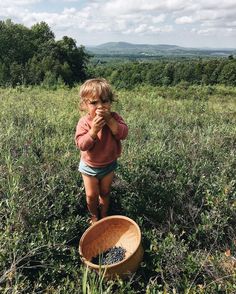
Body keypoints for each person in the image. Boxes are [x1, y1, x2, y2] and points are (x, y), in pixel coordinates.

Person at [75, 78, 128, 225]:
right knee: (92, 195)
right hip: (89, 166)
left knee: (105, 192)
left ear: (110, 102)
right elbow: (81, 144)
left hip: (108, 165)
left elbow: (123, 134)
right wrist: (93, 131)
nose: (100, 107)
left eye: (104, 101)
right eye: (93, 103)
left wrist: (111, 122)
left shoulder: (115, 118)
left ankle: (104, 215)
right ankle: (94, 216)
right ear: (84, 105)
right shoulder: (84, 123)